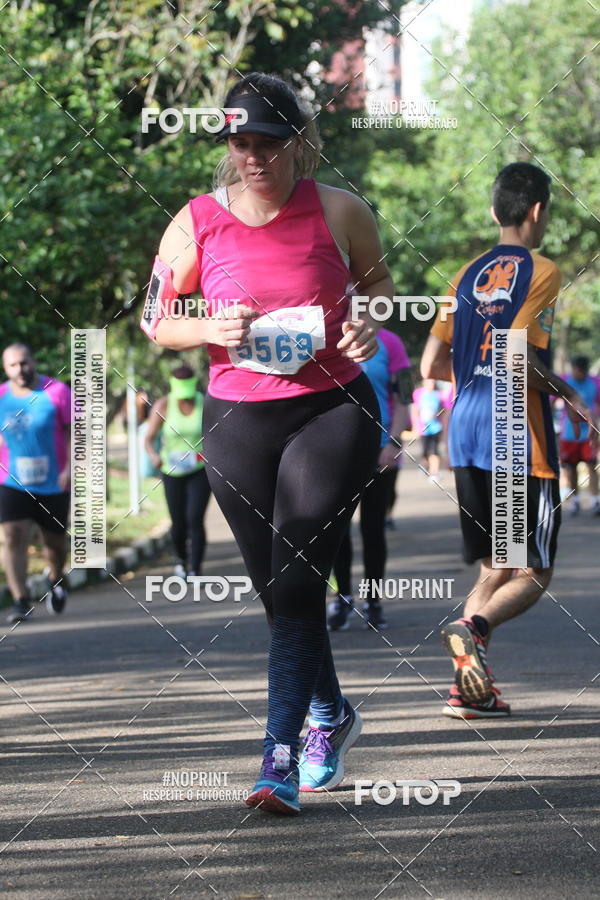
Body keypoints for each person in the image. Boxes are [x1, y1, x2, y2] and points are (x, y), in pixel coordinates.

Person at [145, 72, 390, 814]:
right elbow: (157, 321)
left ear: (300, 140)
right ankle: (333, 714)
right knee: (280, 594)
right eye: (240, 143)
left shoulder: (341, 210)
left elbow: (377, 288)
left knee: (298, 575)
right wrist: (204, 328)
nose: (253, 157)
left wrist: (366, 320)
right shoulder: (194, 222)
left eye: (268, 143)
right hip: (237, 422)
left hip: (332, 409)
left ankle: (277, 762)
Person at [421, 162, 594, 719]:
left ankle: (467, 691)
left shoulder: (464, 274)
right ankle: (473, 625)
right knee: (533, 570)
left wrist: (478, 378)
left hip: (466, 431)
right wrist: (568, 392)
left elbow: (432, 363)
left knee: (495, 566)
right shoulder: (542, 270)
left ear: (497, 210)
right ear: (538, 210)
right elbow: (519, 351)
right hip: (516, 433)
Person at [328, 328, 412, 631]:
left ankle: (373, 601)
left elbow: (404, 396)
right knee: (336, 532)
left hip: (380, 450)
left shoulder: (390, 341)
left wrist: (393, 442)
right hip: (335, 451)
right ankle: (342, 598)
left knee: (373, 528)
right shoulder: (323, 334)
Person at [0, 344, 71, 623]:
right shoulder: (2, 397)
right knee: (13, 537)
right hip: (11, 480)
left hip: (54, 481)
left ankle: (56, 577)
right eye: (13, 365)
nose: (20, 370)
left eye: (24, 363)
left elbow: (75, 433)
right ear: (6, 369)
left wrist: (70, 468)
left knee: (53, 542)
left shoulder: (57, 392)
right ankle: (20, 600)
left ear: (33, 361)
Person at [144, 366, 210, 577]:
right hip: (171, 471)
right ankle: (181, 559)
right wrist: (154, 456)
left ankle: (196, 569)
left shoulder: (205, 402)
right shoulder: (163, 405)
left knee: (194, 518)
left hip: (199, 469)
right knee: (178, 521)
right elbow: (148, 439)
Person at [558, 356, 599, 516]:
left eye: (581, 371)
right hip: (569, 434)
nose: (578, 374)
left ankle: (595, 500)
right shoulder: (564, 381)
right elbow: (551, 401)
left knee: (591, 466)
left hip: (589, 433)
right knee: (570, 468)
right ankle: (574, 501)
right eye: (576, 370)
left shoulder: (595, 383)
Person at [416, 379, 443, 480]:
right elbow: (416, 409)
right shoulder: (419, 393)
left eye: (432, 382)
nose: (431, 384)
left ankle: (434, 472)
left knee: (434, 450)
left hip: (435, 428)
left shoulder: (438, 395)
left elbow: (444, 410)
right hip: (423, 429)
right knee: (425, 451)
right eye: (428, 382)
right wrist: (416, 425)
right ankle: (425, 466)